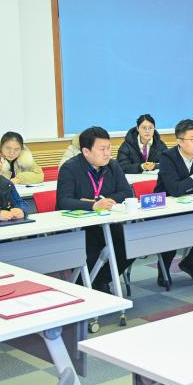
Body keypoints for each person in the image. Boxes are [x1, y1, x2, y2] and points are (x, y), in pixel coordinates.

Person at [56, 125, 135, 292]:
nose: (107, 153)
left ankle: (101, 281)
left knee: (131, 245)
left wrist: (103, 201)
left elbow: (127, 192)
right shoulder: (70, 168)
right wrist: (92, 205)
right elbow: (63, 201)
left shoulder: (113, 165)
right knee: (89, 255)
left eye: (109, 148)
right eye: (102, 149)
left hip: (108, 222)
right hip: (81, 227)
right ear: (86, 151)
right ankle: (86, 288)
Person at [154, 119, 193, 283]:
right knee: (172, 232)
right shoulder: (167, 157)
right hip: (167, 209)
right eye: (192, 139)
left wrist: (186, 186)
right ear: (180, 141)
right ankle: (163, 270)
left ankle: (191, 263)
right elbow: (174, 190)